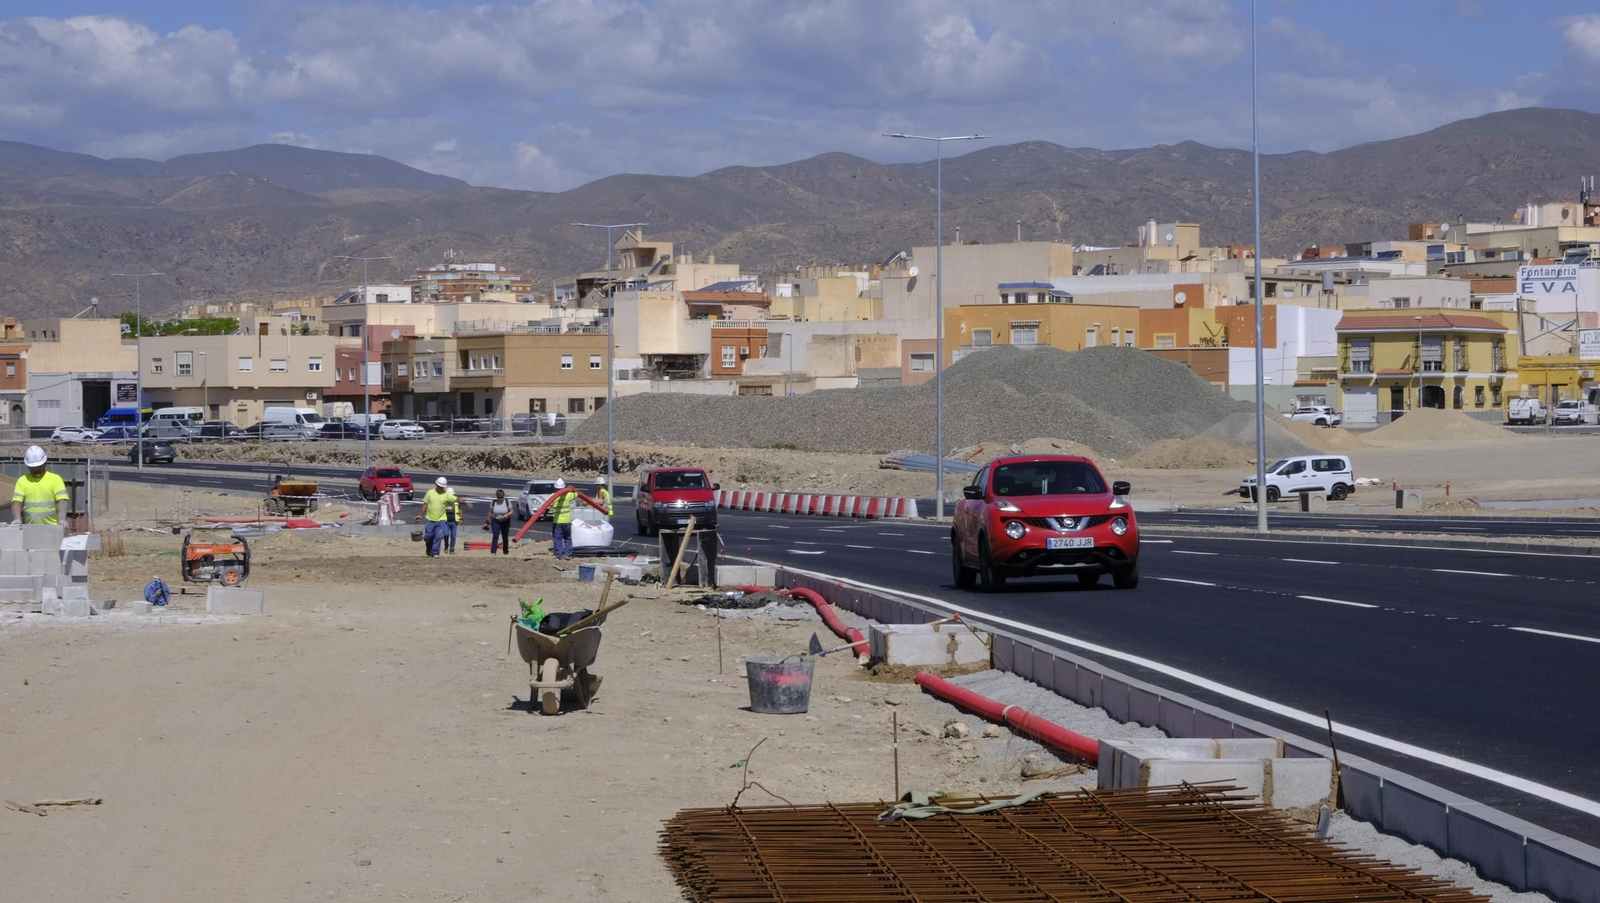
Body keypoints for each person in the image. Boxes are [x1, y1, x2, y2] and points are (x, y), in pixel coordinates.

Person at [12, 445, 68, 527]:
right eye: (32, 467)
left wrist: (62, 519)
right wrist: (17, 519)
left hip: (52, 527)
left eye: (38, 466)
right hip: (30, 528)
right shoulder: (22, 481)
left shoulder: (55, 479)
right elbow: (16, 502)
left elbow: (62, 501)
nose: (35, 470)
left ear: (45, 463)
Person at [415, 477, 465, 558]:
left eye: (442, 487)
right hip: (430, 519)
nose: (441, 488)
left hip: (441, 519)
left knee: (439, 536)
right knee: (429, 536)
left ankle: (435, 552)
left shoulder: (446, 494)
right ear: (436, 485)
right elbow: (425, 504)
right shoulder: (430, 493)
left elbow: (456, 499)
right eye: (440, 487)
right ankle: (429, 547)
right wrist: (420, 514)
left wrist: (465, 502)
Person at [548, 478, 574, 560]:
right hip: (567, 521)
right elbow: (576, 493)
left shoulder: (553, 496)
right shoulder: (568, 495)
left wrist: (544, 515)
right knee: (567, 537)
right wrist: (572, 488)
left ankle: (560, 555)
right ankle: (568, 553)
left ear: (555, 488)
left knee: (558, 538)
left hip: (558, 522)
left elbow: (547, 507)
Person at [487, 489, 513, 555]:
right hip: (496, 520)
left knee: (505, 536)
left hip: (505, 521)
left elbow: (511, 511)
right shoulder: (493, 502)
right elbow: (490, 512)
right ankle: (493, 551)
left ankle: (505, 551)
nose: (500, 499)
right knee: (495, 535)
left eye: (501, 497)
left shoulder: (507, 502)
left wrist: (506, 515)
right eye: (498, 497)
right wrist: (487, 521)